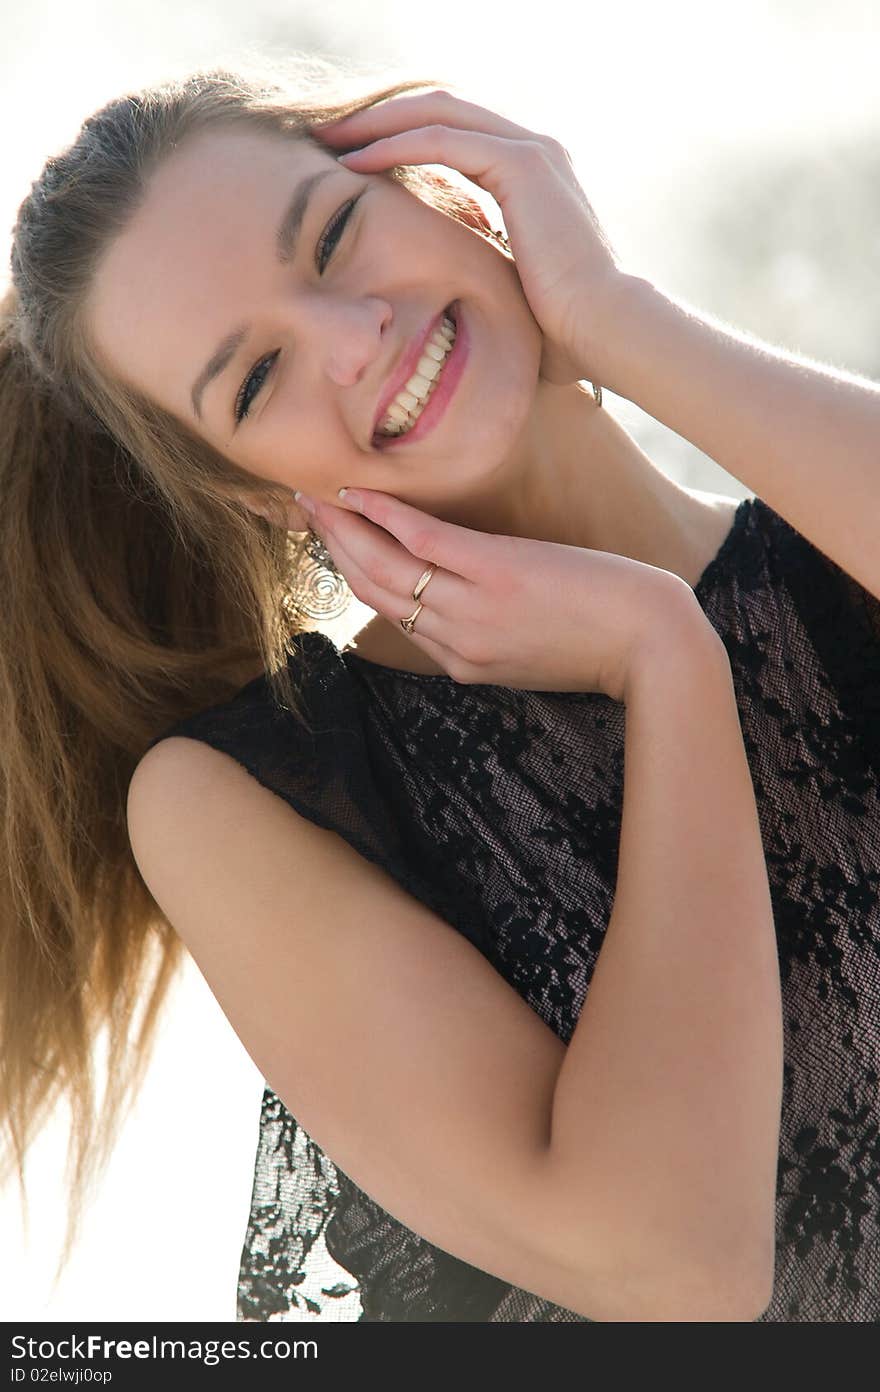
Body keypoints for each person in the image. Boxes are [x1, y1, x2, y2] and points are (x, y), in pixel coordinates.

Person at [2, 57, 877, 1323]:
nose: (359, 341)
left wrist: (617, 314)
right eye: (256, 381)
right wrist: (662, 656)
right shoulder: (251, 806)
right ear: (252, 490)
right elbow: (677, 1264)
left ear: (452, 193)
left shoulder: (831, 527)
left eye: (339, 236)